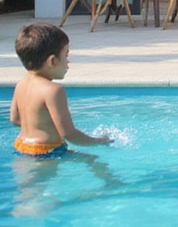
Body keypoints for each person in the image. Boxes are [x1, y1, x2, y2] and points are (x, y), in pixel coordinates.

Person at [9, 23, 112, 157]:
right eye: (66, 56)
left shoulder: (21, 84)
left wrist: (39, 127)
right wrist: (99, 141)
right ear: (52, 61)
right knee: (94, 160)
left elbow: (15, 119)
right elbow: (69, 134)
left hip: (21, 146)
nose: (68, 62)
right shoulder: (53, 90)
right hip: (47, 151)